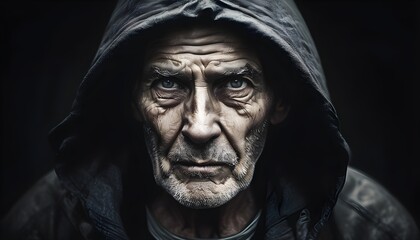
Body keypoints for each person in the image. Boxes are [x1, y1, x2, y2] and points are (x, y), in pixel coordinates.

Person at [2, 0, 419, 239]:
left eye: (235, 84)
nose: (200, 127)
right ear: (131, 101)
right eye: (167, 84)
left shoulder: (369, 230)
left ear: (280, 102)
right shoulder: (45, 225)